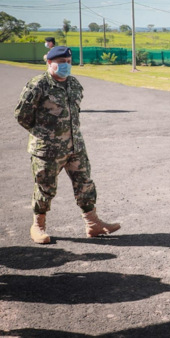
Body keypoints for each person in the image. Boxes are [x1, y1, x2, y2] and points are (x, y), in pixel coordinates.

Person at [14, 46, 121, 245]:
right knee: (45, 188)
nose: (66, 66)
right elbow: (22, 116)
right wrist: (45, 136)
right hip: (47, 149)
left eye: (69, 62)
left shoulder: (74, 84)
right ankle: (38, 226)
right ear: (49, 62)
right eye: (61, 62)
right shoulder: (38, 85)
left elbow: (75, 114)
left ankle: (93, 224)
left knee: (85, 184)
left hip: (75, 146)